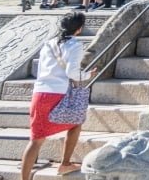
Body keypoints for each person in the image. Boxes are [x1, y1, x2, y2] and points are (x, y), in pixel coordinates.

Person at [20, 11, 94, 179]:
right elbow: (73, 73)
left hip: (39, 94)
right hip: (57, 95)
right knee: (76, 123)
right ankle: (65, 164)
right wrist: (89, 74)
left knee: (36, 140)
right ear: (79, 29)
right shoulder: (74, 45)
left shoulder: (48, 44)